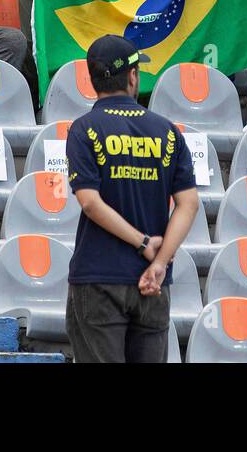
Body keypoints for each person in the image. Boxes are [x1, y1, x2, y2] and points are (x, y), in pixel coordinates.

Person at [65, 35, 199, 364]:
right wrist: (158, 261)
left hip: (98, 278)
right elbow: (189, 203)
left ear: (93, 79)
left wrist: (143, 243)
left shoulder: (83, 130)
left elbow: (90, 203)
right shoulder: (167, 131)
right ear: (133, 76)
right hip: (152, 284)